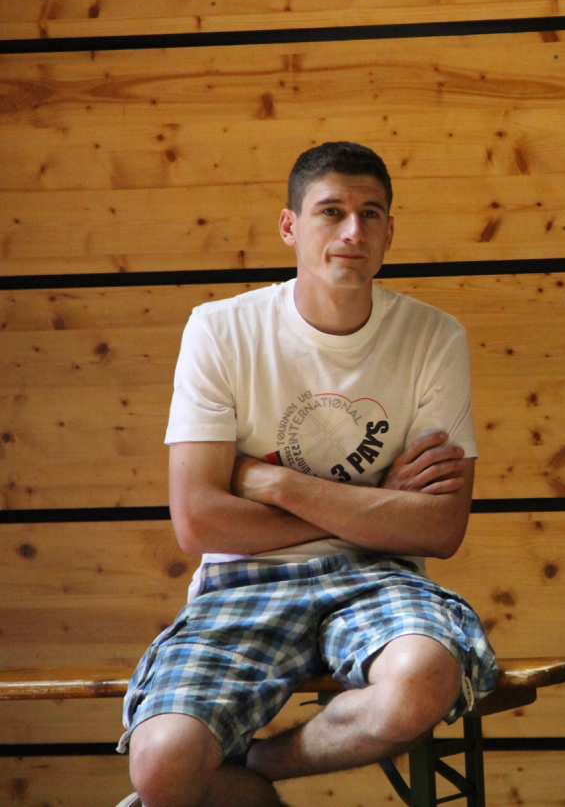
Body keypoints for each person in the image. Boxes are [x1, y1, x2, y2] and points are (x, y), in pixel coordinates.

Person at [115, 142, 498, 807]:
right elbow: (198, 522)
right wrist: (375, 505)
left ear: (389, 231)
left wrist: (276, 483)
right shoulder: (220, 329)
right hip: (243, 580)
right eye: (331, 211)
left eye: (370, 214)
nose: (353, 231)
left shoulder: (434, 336)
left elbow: (439, 527)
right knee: (161, 765)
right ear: (290, 226)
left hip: (378, 575)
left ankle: (254, 763)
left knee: (421, 680)